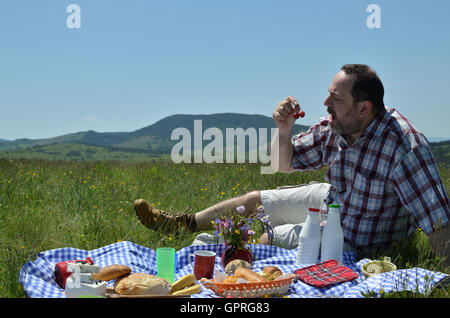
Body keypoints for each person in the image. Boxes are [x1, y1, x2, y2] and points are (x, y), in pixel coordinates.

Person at [134, 64, 450, 265]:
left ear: (364, 108)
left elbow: (440, 223)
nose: (326, 104)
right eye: (329, 95)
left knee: (271, 236)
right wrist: (284, 130)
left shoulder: (405, 147)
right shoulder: (337, 126)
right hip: (335, 200)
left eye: (335, 99)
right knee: (254, 202)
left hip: (357, 237)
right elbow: (283, 164)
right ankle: (181, 224)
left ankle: (236, 269)